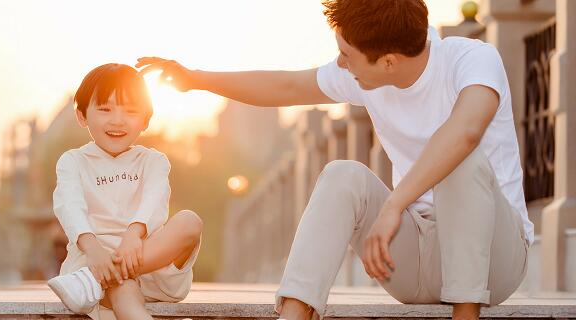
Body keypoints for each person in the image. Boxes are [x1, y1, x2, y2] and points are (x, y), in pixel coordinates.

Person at [135, 1, 531, 319]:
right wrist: (196, 79)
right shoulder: (366, 75)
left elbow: (464, 133)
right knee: (343, 173)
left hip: (494, 262)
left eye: (346, 54)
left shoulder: (472, 60)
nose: (340, 62)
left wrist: (394, 204)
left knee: (460, 159)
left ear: (389, 61)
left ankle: (466, 314)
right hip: (419, 262)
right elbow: (286, 85)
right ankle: (294, 313)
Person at [48, 63, 203, 320]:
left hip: (148, 260)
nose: (117, 120)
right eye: (105, 109)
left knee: (190, 221)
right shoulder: (73, 161)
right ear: (82, 115)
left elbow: (155, 199)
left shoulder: (154, 161)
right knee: (124, 292)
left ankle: (102, 278)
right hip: (93, 260)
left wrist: (134, 233)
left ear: (145, 120)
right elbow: (69, 206)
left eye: (130, 111)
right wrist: (94, 250)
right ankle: (105, 277)